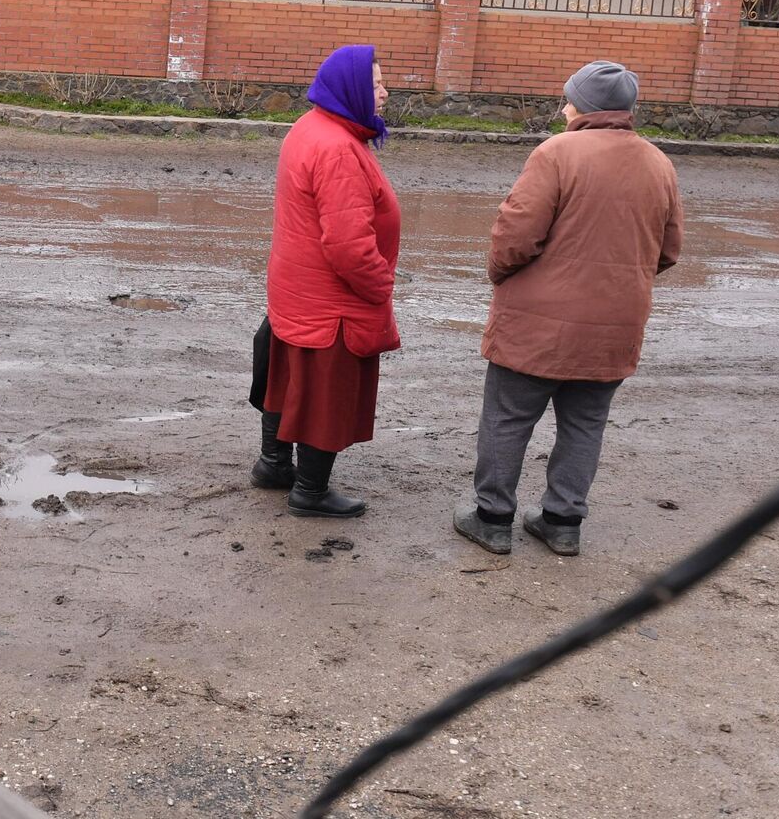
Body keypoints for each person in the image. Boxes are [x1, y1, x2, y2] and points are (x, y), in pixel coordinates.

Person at [452, 61, 683, 556]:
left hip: (536, 325)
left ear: (586, 107)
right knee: (585, 423)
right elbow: (667, 251)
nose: (563, 107)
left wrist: (501, 276)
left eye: (569, 99)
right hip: (615, 326)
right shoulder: (659, 164)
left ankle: (492, 518)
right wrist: (622, 285)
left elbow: (515, 236)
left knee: (508, 416)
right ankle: (562, 522)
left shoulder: (555, 153)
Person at [249, 44, 401, 518]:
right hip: (332, 299)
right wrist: (380, 288)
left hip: (297, 288)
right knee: (326, 392)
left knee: (289, 378)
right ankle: (310, 492)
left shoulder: (311, 127)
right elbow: (349, 245)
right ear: (352, 88)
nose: (385, 93)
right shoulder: (337, 149)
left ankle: (274, 465)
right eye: (376, 84)